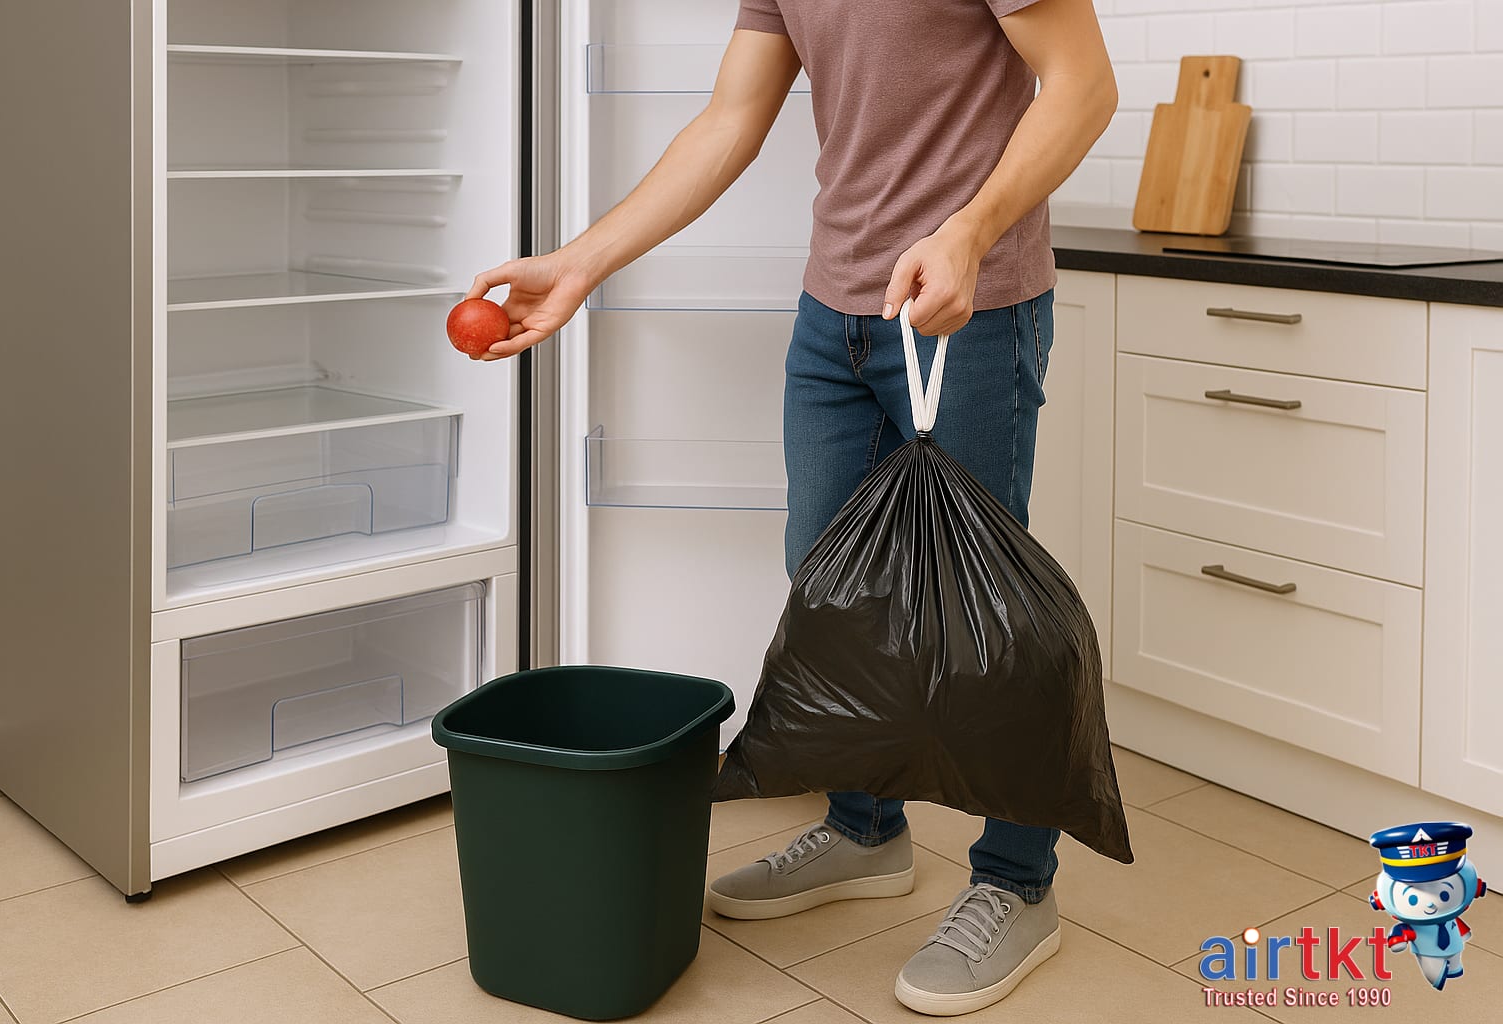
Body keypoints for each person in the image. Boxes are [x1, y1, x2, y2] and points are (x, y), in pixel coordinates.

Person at [466, 0, 1117, 1014]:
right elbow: (732, 116)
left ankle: (1017, 881)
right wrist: (581, 263)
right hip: (834, 317)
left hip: (970, 310)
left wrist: (970, 231)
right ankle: (865, 829)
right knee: (828, 589)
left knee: (982, 609)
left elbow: (1083, 88)